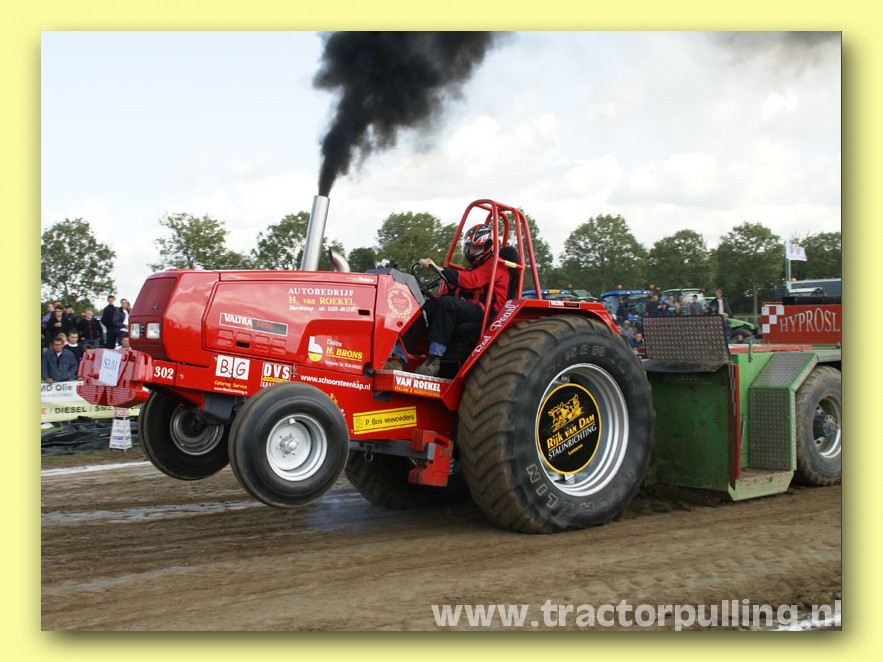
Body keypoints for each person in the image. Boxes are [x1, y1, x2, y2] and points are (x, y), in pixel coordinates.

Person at [384, 223, 509, 377]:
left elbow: (471, 280)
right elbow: (457, 287)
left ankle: (434, 359)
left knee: (448, 304)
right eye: (470, 247)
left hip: (485, 312)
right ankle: (398, 358)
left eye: (475, 248)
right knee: (428, 306)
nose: (471, 251)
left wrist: (438, 268)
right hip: (467, 308)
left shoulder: (496, 265)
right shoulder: (472, 267)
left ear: (487, 247)